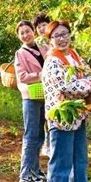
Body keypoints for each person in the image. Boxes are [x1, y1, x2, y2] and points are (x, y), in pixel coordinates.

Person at [42, 20, 91, 182]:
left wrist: (88, 81)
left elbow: (85, 74)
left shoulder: (73, 55)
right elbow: (66, 86)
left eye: (65, 34)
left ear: (70, 34)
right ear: (50, 40)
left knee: (80, 161)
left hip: (78, 114)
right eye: (57, 36)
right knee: (61, 163)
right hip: (62, 117)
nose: (62, 39)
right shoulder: (53, 60)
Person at [14, 20, 49, 182]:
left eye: (27, 31)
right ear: (19, 37)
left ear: (33, 31)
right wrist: (40, 75)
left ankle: (35, 170)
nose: (26, 35)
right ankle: (25, 174)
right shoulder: (20, 53)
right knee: (31, 135)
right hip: (30, 96)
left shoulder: (43, 47)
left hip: (44, 95)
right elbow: (22, 76)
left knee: (40, 134)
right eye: (22, 33)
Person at [32, 12, 51, 157]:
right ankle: (46, 145)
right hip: (45, 79)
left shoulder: (55, 38)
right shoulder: (39, 42)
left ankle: (50, 144)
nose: (41, 28)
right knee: (46, 115)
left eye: (43, 25)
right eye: (38, 27)